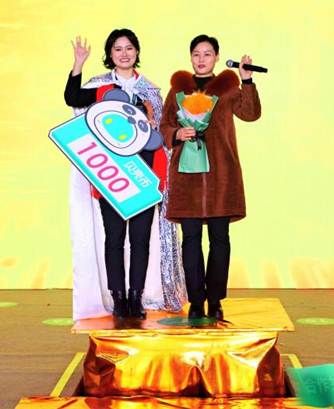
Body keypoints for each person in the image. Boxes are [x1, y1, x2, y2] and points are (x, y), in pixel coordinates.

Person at [64, 29, 186, 320]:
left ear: (136, 52)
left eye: (129, 48)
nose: (124, 53)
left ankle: (136, 297)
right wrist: (78, 63)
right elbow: (72, 97)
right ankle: (118, 299)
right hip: (112, 176)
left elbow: (160, 136)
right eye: (117, 49)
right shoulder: (101, 88)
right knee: (114, 239)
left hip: (144, 176)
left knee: (141, 240)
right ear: (110, 54)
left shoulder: (151, 91)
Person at [159, 34, 262, 320]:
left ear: (217, 57)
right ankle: (195, 301)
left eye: (207, 54)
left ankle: (215, 300)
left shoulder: (228, 89)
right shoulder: (177, 90)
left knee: (220, 239)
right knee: (190, 240)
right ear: (190, 57)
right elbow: (164, 126)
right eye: (196, 54)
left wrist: (247, 81)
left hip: (221, 176)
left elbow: (250, 114)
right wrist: (177, 134)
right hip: (187, 178)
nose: (201, 59)